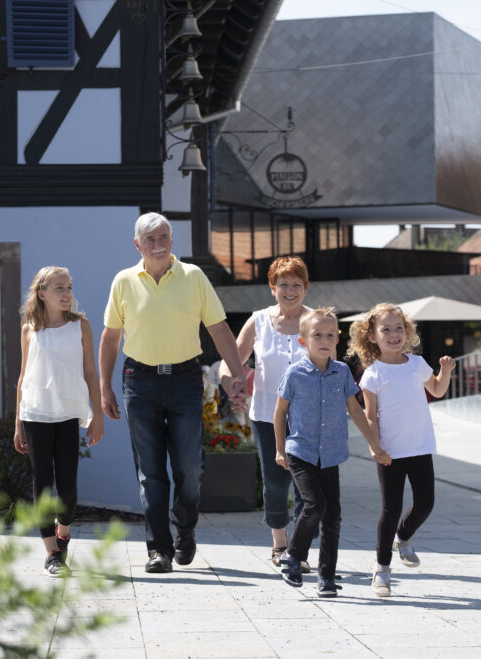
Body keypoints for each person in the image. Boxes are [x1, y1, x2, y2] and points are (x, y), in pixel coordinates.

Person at [99, 212, 247, 574]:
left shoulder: (193, 277)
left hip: (184, 379)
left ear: (172, 240)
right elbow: (111, 337)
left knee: (189, 468)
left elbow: (219, 328)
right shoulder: (123, 281)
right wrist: (104, 386)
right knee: (150, 473)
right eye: (150, 239)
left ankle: (185, 530)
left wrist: (238, 375)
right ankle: (159, 550)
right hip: (139, 380)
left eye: (164, 236)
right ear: (138, 245)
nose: (158, 243)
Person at [273, 307, 391, 598]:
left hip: (331, 454)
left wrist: (374, 443)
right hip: (300, 451)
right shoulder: (294, 373)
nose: (324, 340)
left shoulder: (341, 372)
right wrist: (279, 450)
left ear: (336, 341)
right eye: (317, 335)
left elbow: (355, 408)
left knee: (333, 516)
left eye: (329, 335)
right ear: (303, 341)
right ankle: (293, 555)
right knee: (315, 505)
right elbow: (279, 413)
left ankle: (326, 576)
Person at [347, 302, 455, 597]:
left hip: (420, 447)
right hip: (389, 452)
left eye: (399, 328)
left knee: (426, 504)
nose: (394, 334)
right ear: (372, 336)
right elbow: (370, 416)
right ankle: (382, 570)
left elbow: (437, 390)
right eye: (386, 329)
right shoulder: (372, 374)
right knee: (390, 509)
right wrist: (374, 446)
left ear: (406, 332)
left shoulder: (418, 365)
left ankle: (403, 537)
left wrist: (444, 371)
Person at [219, 256, 312, 572]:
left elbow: (331, 366)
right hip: (266, 416)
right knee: (275, 482)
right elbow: (230, 362)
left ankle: (298, 550)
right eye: (283, 284)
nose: (290, 291)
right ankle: (279, 544)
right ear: (272, 288)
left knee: (306, 485)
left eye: (296, 285)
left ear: (306, 288)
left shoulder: (317, 322)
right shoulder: (258, 321)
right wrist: (232, 384)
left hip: (308, 417)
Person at [14, 266, 104, 578]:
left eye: (69, 288)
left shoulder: (81, 326)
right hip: (36, 414)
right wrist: (18, 423)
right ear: (42, 294)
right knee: (42, 483)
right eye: (59, 289)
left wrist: (97, 415)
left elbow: (91, 372)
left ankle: (63, 532)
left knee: (67, 487)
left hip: (68, 415)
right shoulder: (29, 329)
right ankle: (52, 553)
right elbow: (23, 378)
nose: (67, 294)